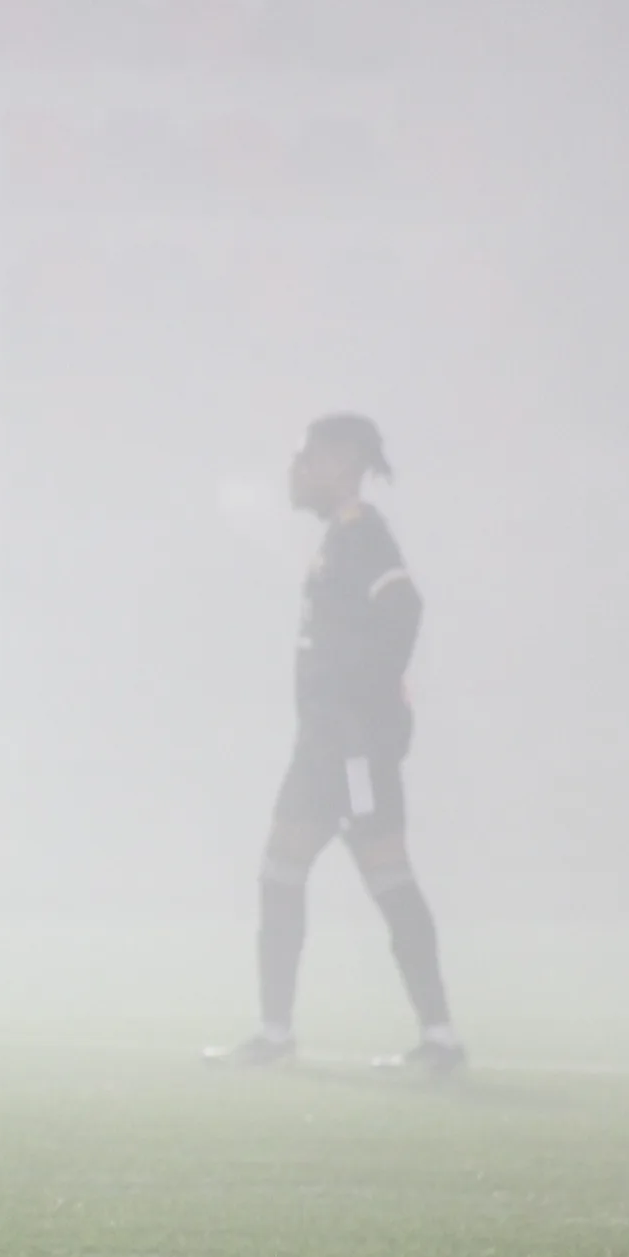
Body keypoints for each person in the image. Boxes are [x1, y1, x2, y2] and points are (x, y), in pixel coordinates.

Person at [204, 413, 464, 1075]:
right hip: (323, 747)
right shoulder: (336, 541)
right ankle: (276, 1033)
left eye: (305, 460)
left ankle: (438, 1038)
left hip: (349, 753)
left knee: (385, 875)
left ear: (341, 462)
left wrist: (367, 715)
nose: (295, 473)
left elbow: (404, 610)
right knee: (282, 871)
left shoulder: (363, 537)